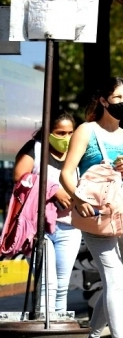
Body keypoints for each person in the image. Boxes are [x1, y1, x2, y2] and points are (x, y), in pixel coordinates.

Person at [61, 77, 123, 338]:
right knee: (113, 279)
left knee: (117, 282)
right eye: (117, 96)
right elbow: (67, 172)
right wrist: (76, 198)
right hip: (97, 218)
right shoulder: (87, 131)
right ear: (102, 100)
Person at [13, 113, 79, 313]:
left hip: (69, 227)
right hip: (39, 226)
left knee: (62, 285)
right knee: (46, 282)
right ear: (49, 133)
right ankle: (44, 326)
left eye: (70, 133)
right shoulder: (36, 148)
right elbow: (20, 178)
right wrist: (53, 189)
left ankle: (59, 327)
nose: (66, 138)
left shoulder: (76, 152)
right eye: (60, 133)